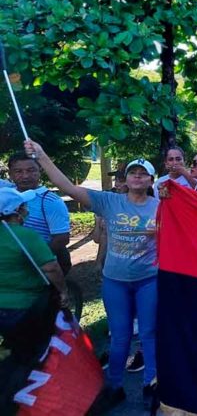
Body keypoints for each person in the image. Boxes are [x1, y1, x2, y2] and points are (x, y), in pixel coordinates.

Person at [24, 140, 159, 410]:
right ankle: (115, 386)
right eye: (132, 172)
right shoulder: (109, 201)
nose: (137, 177)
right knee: (119, 336)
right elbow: (68, 187)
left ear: (151, 180)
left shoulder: (162, 206)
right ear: (125, 178)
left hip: (149, 281)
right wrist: (42, 156)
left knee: (149, 334)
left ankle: (151, 386)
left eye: (143, 174)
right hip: (115, 282)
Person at [0, 188, 70, 414]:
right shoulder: (25, 236)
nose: (27, 210)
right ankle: (23, 397)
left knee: (12, 346)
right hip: (25, 307)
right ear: (16, 211)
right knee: (31, 353)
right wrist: (63, 291)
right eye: (23, 207)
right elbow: (51, 267)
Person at [7, 153, 71, 272]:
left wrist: (37, 259)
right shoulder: (6, 197)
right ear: (10, 174)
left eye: (31, 170)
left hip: (43, 268)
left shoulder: (51, 201)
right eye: (18, 171)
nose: (25, 176)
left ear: (40, 171)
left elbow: (61, 238)